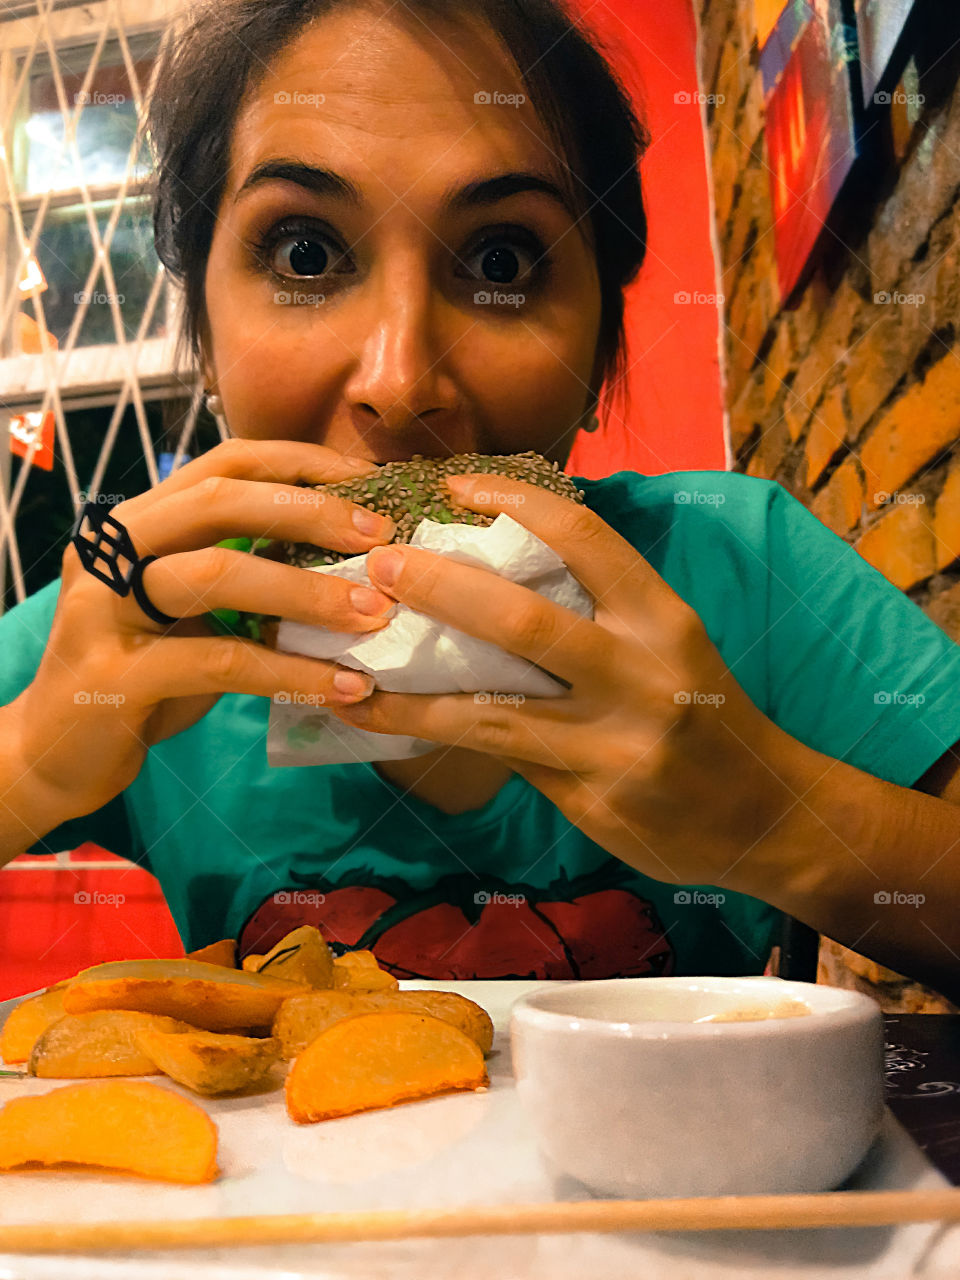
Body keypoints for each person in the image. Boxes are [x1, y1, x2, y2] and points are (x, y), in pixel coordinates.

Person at [2, 0, 959, 995]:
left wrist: (778, 816)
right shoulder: (139, 617)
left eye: (502, 261)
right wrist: (29, 756)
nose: (401, 378)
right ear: (202, 326)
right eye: (305, 255)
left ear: (600, 351)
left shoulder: (729, 564)